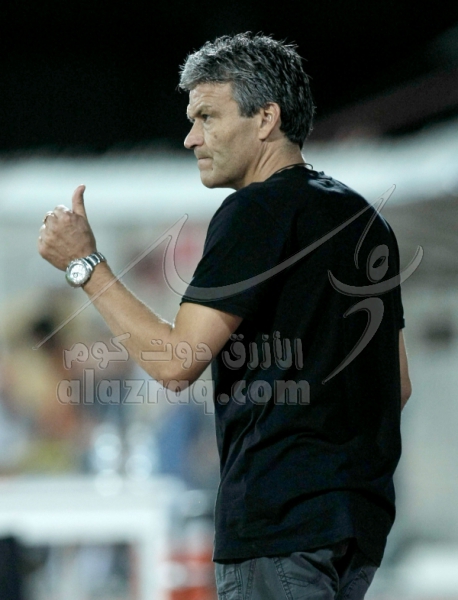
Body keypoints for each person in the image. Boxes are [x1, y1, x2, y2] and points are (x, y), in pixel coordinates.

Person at [38, 33, 412, 600]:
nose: (192, 138)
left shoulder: (254, 211)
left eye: (208, 117)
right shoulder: (366, 219)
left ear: (266, 118)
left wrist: (85, 265)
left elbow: (175, 362)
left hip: (278, 527)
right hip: (356, 525)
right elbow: (395, 385)